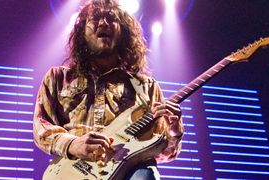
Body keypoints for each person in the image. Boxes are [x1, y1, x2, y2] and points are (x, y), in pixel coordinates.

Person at [33, 0, 184, 179]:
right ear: (82, 31)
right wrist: (73, 144)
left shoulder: (147, 88)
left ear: (123, 32)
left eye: (111, 18)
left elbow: (162, 154)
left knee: (147, 174)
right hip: (71, 172)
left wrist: (173, 133)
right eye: (95, 18)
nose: (103, 23)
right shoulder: (58, 77)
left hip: (129, 173)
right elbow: (41, 128)